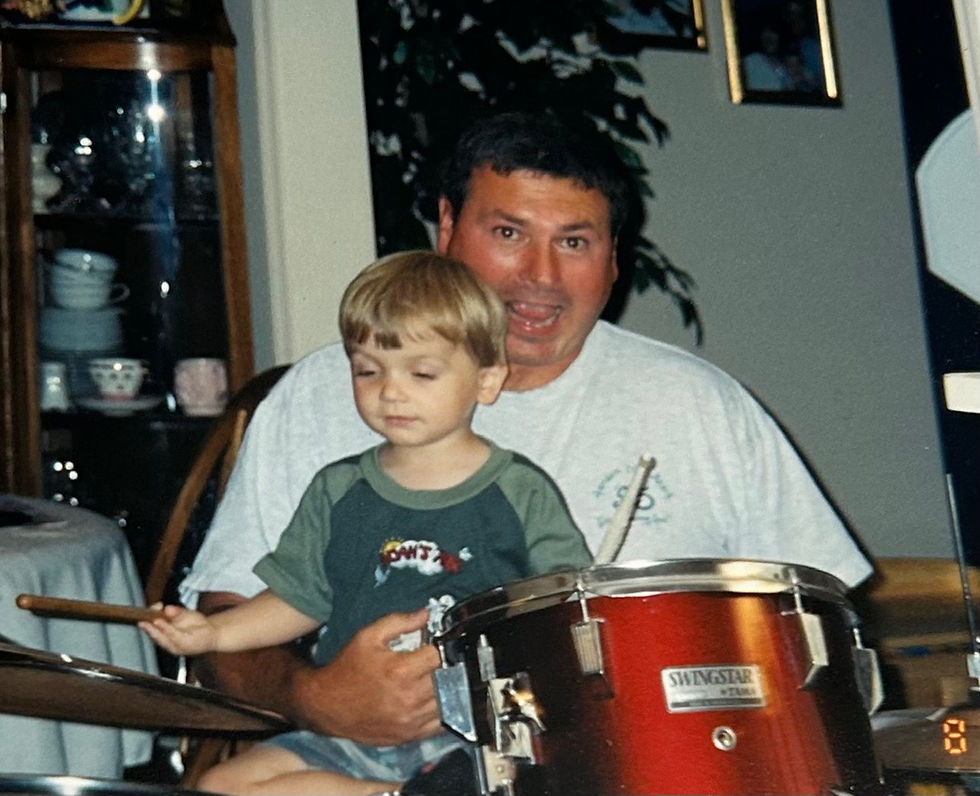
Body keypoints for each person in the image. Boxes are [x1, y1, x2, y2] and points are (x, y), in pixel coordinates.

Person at [180, 110, 872, 769]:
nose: (541, 277)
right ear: (446, 228)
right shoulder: (324, 394)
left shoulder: (702, 408)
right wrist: (315, 697)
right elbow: (224, 621)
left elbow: (823, 633)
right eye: (508, 234)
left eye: (574, 242)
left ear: (612, 262)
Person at [149, 251, 592, 795]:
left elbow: (567, 613)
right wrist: (213, 631)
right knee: (220, 786)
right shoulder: (338, 491)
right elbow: (298, 599)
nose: (390, 391)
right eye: (367, 369)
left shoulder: (519, 493)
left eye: (422, 372)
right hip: (352, 737)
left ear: (487, 378)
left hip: (473, 737)